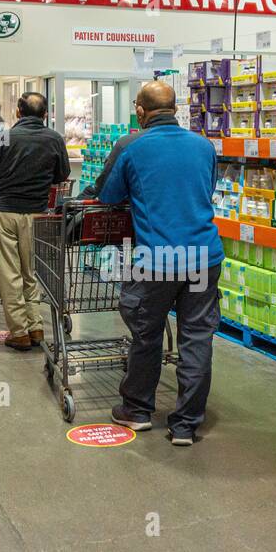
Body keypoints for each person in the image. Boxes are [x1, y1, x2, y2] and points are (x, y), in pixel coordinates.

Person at [99, 81, 223, 447]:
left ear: (140, 111)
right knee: (197, 337)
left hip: (156, 260)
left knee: (146, 332)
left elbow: (108, 195)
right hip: (203, 257)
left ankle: (137, 410)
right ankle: (185, 425)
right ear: (176, 108)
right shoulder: (204, 146)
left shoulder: (133, 146)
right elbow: (207, 189)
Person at [0, 92, 69, 350]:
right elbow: (62, 174)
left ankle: (19, 332)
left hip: (4, 212)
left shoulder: (3, 137)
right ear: (46, 114)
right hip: (37, 214)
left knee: (9, 273)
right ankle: (36, 326)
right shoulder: (54, 139)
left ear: (18, 112)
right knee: (31, 271)